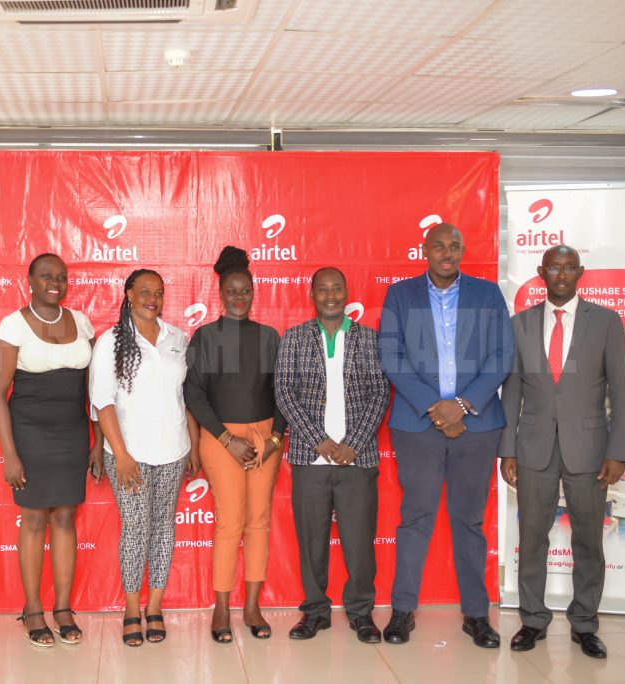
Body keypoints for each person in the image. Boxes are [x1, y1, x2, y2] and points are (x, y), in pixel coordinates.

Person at [377, 222, 513, 648]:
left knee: (470, 521)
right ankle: (403, 611)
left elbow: (503, 354)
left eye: (455, 246)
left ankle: (476, 615)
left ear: (462, 251)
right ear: (425, 250)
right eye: (440, 245)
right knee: (416, 517)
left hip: (477, 424)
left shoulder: (487, 294)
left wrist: (465, 404)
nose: (448, 252)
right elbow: (391, 356)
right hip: (418, 424)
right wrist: (437, 409)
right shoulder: (401, 295)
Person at [500, 244, 625, 660]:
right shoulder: (519, 324)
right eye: (553, 268)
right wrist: (508, 450)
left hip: (591, 450)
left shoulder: (607, 322)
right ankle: (533, 620)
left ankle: (585, 623)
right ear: (541, 272)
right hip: (534, 447)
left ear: (580, 273)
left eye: (568, 267)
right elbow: (513, 391)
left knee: (589, 540)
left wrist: (618, 450)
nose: (561, 274)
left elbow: (621, 392)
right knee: (532, 537)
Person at [0, 253, 103, 647]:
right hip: (29, 432)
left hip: (73, 432)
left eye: (61, 276)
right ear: (30, 281)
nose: (55, 282)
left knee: (66, 517)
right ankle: (33, 609)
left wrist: (98, 441)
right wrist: (9, 454)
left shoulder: (83, 322)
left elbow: (93, 390)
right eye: (46, 276)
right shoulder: (12, 325)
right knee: (35, 518)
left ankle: (63, 608)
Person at [274, 267, 391, 643]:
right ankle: (314, 612)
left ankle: (361, 613)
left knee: (359, 541)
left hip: (357, 458)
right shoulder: (293, 338)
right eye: (322, 289)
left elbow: (380, 393)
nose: (330, 295)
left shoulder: (370, 339)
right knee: (311, 541)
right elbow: (284, 392)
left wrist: (353, 442)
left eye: (336, 288)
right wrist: (318, 440)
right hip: (311, 459)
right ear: (311, 294)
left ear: (345, 293)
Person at [89, 269, 200, 647]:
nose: (152, 298)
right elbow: (102, 402)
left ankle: (155, 606)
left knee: (164, 527)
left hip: (172, 450)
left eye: (159, 292)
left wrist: (193, 446)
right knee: (135, 529)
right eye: (145, 291)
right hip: (129, 455)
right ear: (129, 294)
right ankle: (132, 609)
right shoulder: (110, 341)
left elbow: (183, 397)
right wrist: (120, 455)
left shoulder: (176, 338)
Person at [184, 246, 286, 643]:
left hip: (265, 439)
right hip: (221, 438)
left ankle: (252, 606)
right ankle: (222, 607)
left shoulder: (269, 337)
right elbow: (195, 395)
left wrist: (276, 437)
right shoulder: (206, 337)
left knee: (258, 521)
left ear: (254, 292)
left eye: (246, 290)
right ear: (220, 294)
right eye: (232, 291)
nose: (239, 297)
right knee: (230, 523)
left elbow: (283, 392)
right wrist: (227, 439)